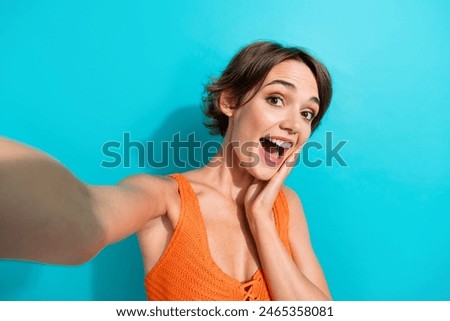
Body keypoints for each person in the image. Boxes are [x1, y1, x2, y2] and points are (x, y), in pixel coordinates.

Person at [0, 41, 332, 300]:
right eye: (276, 99)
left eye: (307, 114)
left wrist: (261, 220)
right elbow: (84, 215)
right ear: (230, 102)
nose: (293, 125)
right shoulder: (164, 198)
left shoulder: (285, 206)